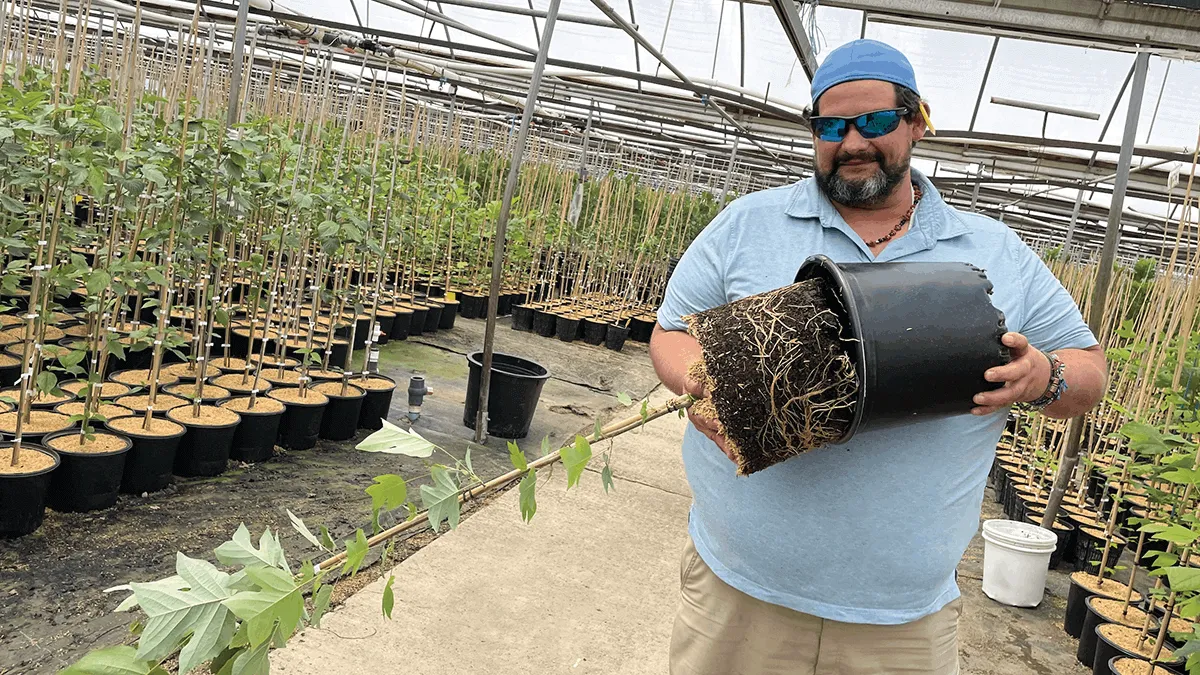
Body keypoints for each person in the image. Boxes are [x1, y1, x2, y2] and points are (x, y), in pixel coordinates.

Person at [650, 39, 1107, 675]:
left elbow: (1089, 374)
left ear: (917, 122)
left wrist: (1041, 375)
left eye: (876, 121)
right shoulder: (747, 224)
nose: (854, 140)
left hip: (901, 624)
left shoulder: (995, 253)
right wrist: (702, 382)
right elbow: (670, 333)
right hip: (738, 596)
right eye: (833, 125)